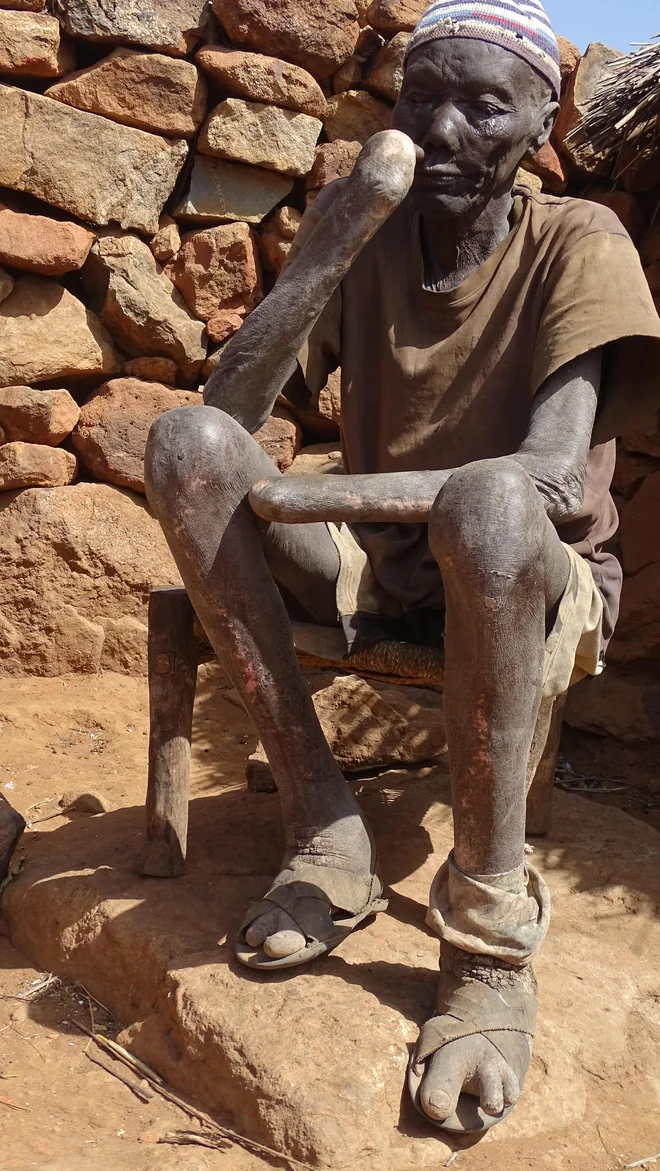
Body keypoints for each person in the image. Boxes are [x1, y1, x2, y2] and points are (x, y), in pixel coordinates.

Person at [144, 0, 660, 1136]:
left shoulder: (579, 239)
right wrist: (329, 245)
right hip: (379, 559)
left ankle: (485, 948)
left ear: (541, 124)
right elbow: (222, 424)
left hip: (536, 577)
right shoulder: (370, 229)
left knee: (485, 500)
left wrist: (287, 495)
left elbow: (549, 477)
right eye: (424, 98)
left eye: (486, 104)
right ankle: (327, 826)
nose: (447, 126)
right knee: (185, 449)